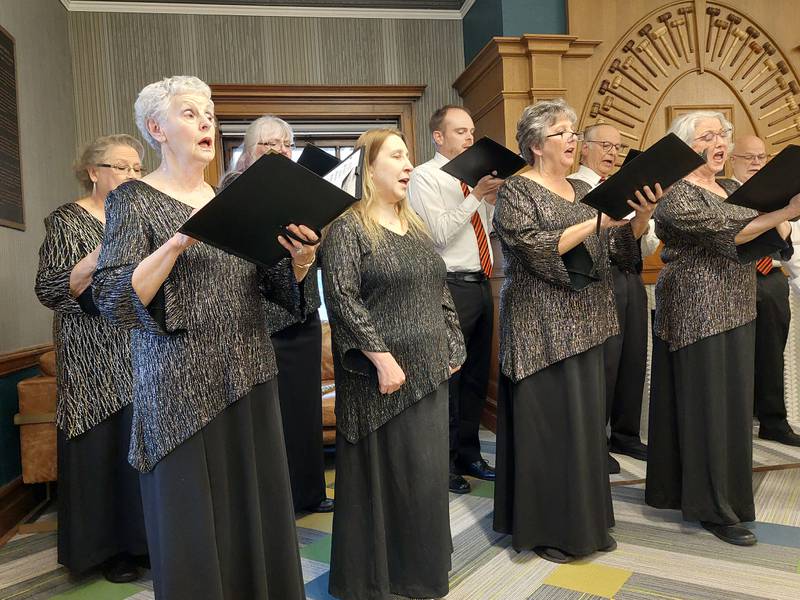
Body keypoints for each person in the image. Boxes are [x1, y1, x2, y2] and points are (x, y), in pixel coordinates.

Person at [92, 76, 314, 599]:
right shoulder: (134, 199)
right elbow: (112, 296)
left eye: (210, 114)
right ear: (157, 129)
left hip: (249, 370)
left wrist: (300, 263)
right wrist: (176, 244)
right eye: (190, 113)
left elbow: (267, 285)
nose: (206, 122)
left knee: (254, 510)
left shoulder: (234, 197)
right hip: (178, 385)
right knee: (191, 520)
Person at [492, 99, 659, 563]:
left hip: (587, 323)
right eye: (563, 133)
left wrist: (639, 219)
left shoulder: (578, 190)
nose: (572, 140)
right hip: (540, 328)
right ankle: (547, 529)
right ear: (535, 144)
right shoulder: (516, 192)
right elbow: (535, 250)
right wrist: (598, 221)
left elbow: (621, 256)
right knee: (549, 430)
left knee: (582, 429)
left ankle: (584, 522)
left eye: (572, 132)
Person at [322, 128, 466, 599]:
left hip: (428, 371)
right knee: (387, 479)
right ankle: (378, 579)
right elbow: (342, 298)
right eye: (398, 156)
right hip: (378, 378)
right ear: (369, 167)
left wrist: (454, 345)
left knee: (423, 478)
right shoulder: (347, 228)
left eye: (409, 157)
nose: (409, 165)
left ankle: (420, 572)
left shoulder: (417, 225)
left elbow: (438, 288)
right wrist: (382, 359)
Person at [646, 111, 800, 547]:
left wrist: (782, 209)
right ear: (683, 148)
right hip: (696, 308)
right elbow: (732, 234)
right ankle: (713, 508)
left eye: (722, 134)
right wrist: (783, 210)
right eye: (706, 136)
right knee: (708, 407)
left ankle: (700, 493)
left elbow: (767, 235)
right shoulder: (675, 195)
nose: (719, 142)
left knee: (730, 408)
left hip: (737, 305)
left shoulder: (733, 188)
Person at [35, 135, 148, 583]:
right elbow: (49, 289)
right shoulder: (66, 220)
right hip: (89, 355)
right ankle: (105, 551)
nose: (132, 176)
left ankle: (140, 542)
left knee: (137, 452)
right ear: (93, 171)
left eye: (138, 169)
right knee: (100, 450)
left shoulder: (141, 218)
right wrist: (104, 251)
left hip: (139, 349)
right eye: (121, 167)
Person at [224, 115, 333, 512]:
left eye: (286, 145)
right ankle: (273, 501)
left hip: (303, 313)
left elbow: (310, 255)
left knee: (303, 409)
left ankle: (309, 493)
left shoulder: (297, 190)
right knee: (272, 416)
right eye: (268, 145)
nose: (280, 151)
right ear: (248, 153)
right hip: (261, 320)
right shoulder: (234, 190)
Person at [407, 105, 503, 494]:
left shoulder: (473, 179)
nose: (469, 137)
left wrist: (489, 203)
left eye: (471, 130)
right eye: (460, 131)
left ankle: (469, 454)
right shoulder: (424, 178)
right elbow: (437, 235)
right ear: (438, 137)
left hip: (481, 282)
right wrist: (475, 196)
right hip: (447, 284)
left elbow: (484, 231)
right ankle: (444, 463)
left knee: (477, 375)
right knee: (451, 375)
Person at [569, 124, 659, 472]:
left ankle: (626, 434)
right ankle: (596, 440)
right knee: (603, 362)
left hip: (631, 277)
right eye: (605, 145)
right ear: (584, 148)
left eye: (618, 148)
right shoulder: (574, 188)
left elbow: (645, 246)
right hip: (597, 281)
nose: (612, 153)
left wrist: (643, 217)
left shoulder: (628, 190)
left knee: (633, 357)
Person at [729, 136, 800, 447]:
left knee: (772, 353)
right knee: (735, 357)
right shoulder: (724, 194)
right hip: (731, 281)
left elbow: (790, 240)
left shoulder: (777, 195)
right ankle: (735, 424)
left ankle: (774, 421)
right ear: (733, 160)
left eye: (761, 157)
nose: (756, 163)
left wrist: (782, 211)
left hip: (770, 278)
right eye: (748, 157)